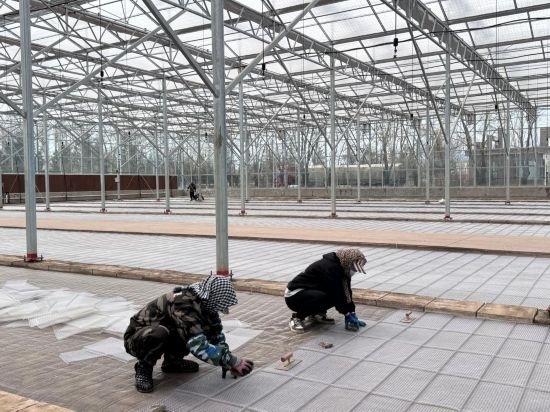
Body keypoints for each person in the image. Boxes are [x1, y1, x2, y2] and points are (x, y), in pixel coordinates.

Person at [124, 275, 254, 393]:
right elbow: (198, 346)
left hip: (167, 331)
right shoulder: (183, 303)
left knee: (189, 331)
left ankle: (172, 363)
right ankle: (143, 368)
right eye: (221, 302)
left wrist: (227, 362)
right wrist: (234, 361)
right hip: (138, 338)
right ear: (214, 297)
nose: (222, 308)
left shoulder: (206, 304)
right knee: (162, 333)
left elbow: (215, 334)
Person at [284, 248, 368, 333]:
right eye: (353, 268)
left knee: (330, 296)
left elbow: (346, 292)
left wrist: (352, 312)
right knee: (323, 297)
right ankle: (297, 318)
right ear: (348, 261)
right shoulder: (330, 267)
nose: (354, 271)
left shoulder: (343, 267)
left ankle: (316, 314)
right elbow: (337, 293)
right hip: (294, 295)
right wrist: (347, 314)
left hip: (310, 291)